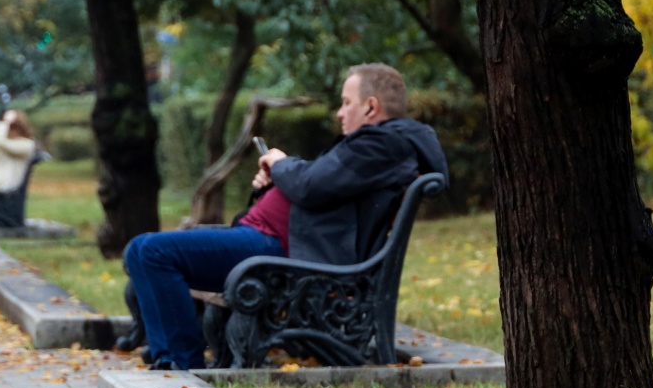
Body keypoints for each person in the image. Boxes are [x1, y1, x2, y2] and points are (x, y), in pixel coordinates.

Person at [121, 63, 448, 370]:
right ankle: (173, 359)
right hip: (274, 242)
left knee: (152, 251)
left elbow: (310, 186)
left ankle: (180, 364)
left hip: (285, 254)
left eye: (346, 102)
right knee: (142, 250)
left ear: (371, 107)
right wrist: (276, 180)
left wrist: (280, 163)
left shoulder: (381, 145)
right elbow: (319, 186)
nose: (339, 112)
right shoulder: (377, 146)